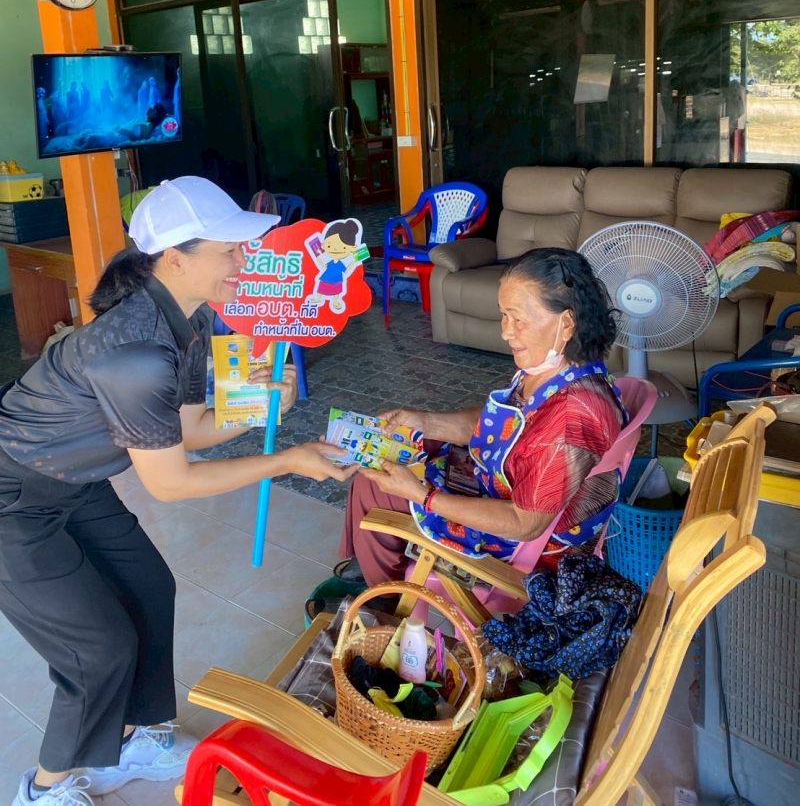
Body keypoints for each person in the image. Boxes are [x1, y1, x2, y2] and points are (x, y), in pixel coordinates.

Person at [0, 176, 358, 806]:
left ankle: (130, 741)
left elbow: (188, 430)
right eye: (230, 250)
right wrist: (287, 460)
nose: (244, 262)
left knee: (148, 587)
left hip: (75, 483)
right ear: (174, 258)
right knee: (97, 648)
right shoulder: (134, 351)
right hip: (13, 496)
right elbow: (170, 482)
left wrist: (258, 408)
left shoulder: (186, 320)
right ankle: (44, 788)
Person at [340, 247, 626, 587]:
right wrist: (424, 422)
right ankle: (367, 557)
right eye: (504, 315)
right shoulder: (554, 367)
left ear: (566, 322)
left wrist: (423, 496)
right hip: (499, 486)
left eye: (518, 319)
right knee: (404, 445)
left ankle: (379, 595)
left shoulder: (571, 415)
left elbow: (525, 523)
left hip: (527, 545)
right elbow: (501, 424)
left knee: (376, 485)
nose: (506, 332)